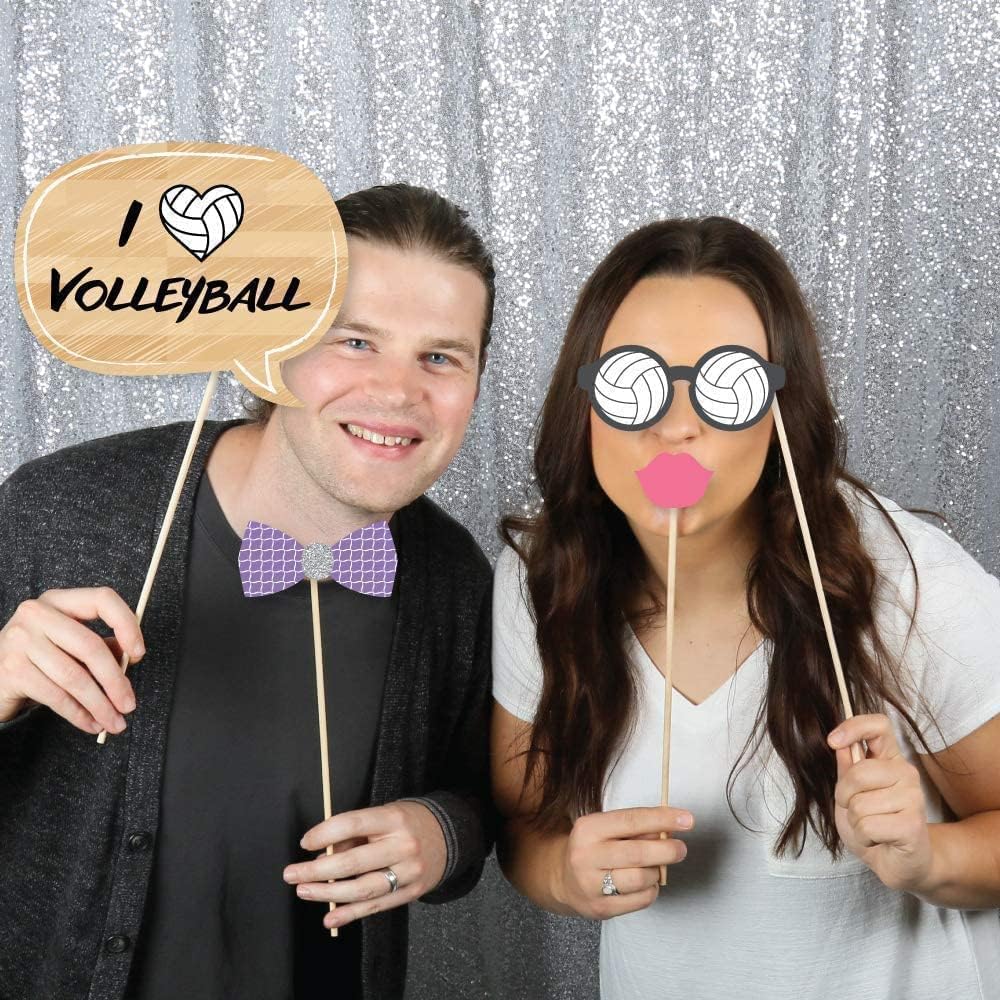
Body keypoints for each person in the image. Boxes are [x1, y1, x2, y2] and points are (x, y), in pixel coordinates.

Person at [0, 183, 497, 1000]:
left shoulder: (455, 581)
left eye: (440, 357)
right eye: (355, 340)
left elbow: (484, 802)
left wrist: (443, 834)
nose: (399, 392)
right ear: (273, 348)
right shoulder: (57, 511)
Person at [491, 216, 1000, 998]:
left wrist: (928, 859)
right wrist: (567, 875)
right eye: (633, 382)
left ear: (779, 413)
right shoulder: (542, 578)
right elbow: (523, 827)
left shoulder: (902, 578)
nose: (677, 425)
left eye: (727, 386)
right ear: (582, 401)